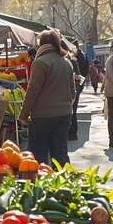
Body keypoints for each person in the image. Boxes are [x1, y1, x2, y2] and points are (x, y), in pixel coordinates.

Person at [18, 30, 76, 167]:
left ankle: (41, 184)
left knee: (38, 155)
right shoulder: (67, 62)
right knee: (60, 152)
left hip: (43, 116)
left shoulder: (40, 63)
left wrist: (23, 115)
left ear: (41, 44)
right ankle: (63, 182)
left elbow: (33, 91)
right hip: (64, 114)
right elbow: (72, 91)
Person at [64, 42, 82, 140]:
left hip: (74, 87)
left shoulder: (72, 61)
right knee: (71, 111)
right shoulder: (69, 60)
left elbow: (78, 76)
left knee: (72, 111)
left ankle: (73, 133)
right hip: (72, 87)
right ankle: (71, 132)